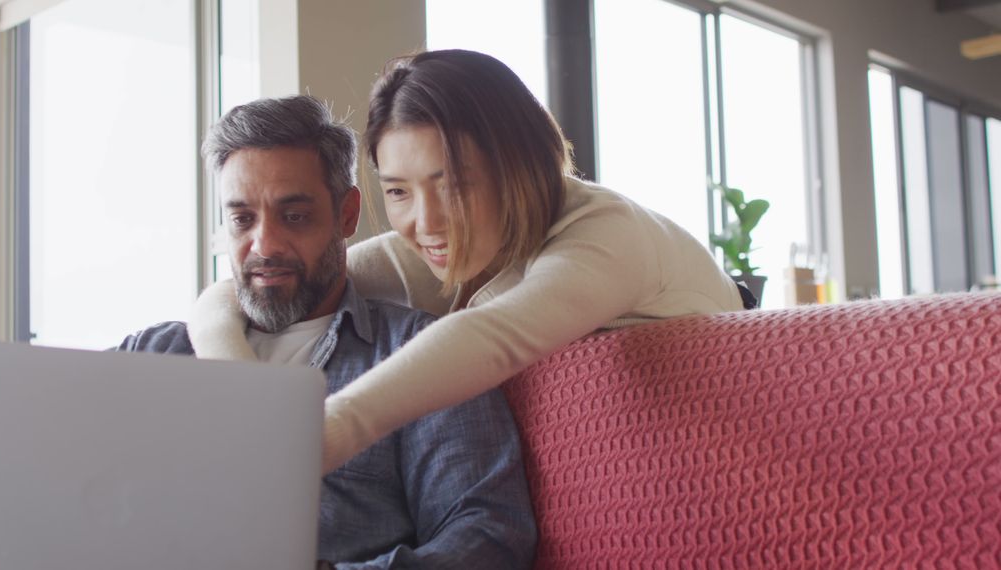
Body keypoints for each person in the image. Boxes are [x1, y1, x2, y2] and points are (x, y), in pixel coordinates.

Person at [191, 50, 746, 474]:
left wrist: (320, 437)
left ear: (519, 165)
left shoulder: (608, 233)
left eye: (452, 184)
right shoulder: (436, 250)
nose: (426, 224)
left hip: (726, 445)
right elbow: (224, 297)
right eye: (399, 191)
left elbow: (494, 334)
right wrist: (243, 389)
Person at [118, 95, 536, 568]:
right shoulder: (151, 353)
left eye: (294, 216)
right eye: (242, 219)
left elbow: (489, 538)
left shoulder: (421, 355)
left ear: (346, 214)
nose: (265, 245)